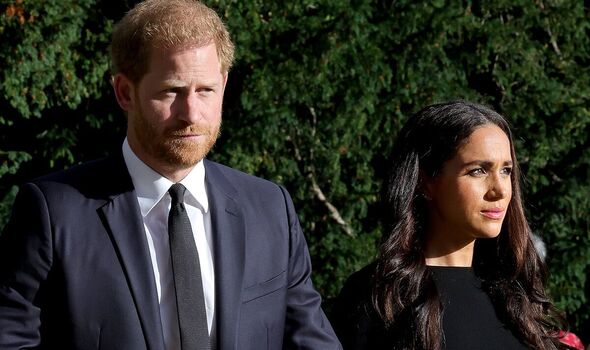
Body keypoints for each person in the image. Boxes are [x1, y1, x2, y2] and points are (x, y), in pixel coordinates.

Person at [0, 1, 341, 349]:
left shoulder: (270, 210)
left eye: (205, 90)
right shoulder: (53, 213)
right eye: (171, 91)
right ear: (124, 92)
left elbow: (311, 341)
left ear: (223, 84)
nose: (191, 113)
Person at [331, 100, 569, 349]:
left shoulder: (515, 293)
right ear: (426, 182)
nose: (500, 190)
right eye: (478, 171)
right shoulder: (380, 297)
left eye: (506, 170)